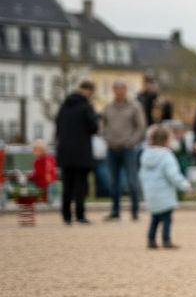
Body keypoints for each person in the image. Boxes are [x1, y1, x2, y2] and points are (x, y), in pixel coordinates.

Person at [138, 124, 191, 249]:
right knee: (167, 218)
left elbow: (141, 174)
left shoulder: (145, 155)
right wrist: (185, 185)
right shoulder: (166, 156)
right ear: (166, 140)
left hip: (150, 193)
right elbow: (173, 175)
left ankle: (151, 239)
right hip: (164, 193)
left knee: (155, 218)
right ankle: (166, 239)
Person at [102, 79, 147, 221]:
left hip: (129, 148)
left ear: (125, 90)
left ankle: (135, 211)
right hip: (112, 148)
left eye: (121, 88)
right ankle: (115, 211)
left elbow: (141, 126)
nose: (119, 91)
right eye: (116, 88)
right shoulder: (108, 107)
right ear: (114, 90)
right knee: (114, 181)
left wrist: (132, 141)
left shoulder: (135, 106)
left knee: (132, 180)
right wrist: (107, 138)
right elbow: (104, 125)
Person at [55, 80, 99, 225]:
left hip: (65, 150)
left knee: (67, 184)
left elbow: (57, 125)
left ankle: (66, 215)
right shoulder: (86, 106)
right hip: (81, 151)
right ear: (89, 91)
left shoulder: (64, 106)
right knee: (80, 185)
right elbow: (93, 127)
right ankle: (80, 215)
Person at [30, 138, 58, 204]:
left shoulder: (47, 159)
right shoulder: (37, 161)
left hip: (47, 186)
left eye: (35, 149)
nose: (33, 151)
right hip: (41, 186)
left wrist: (31, 176)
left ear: (42, 150)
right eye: (34, 149)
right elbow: (37, 173)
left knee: (48, 198)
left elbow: (46, 172)